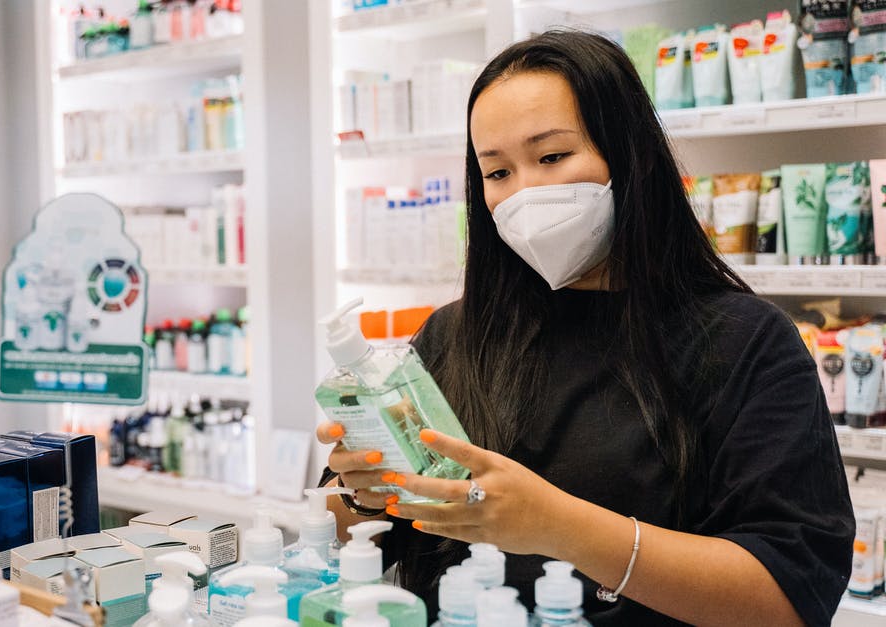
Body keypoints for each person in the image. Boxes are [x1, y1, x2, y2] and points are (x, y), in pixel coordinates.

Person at [316, 30, 854, 626]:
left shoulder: (746, 343)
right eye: (496, 172)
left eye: (551, 157)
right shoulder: (453, 337)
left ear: (631, 157)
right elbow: (359, 534)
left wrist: (561, 528)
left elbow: (789, 599)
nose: (524, 192)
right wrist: (363, 491)